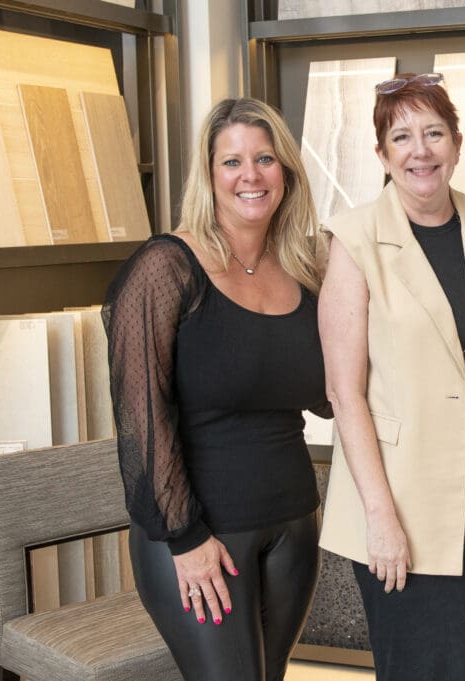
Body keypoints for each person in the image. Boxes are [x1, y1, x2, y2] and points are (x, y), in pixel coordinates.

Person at [104, 98, 328, 681]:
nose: (250, 175)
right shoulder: (166, 267)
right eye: (231, 162)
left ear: (287, 172)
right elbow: (140, 420)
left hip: (293, 522)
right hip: (202, 532)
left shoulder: (307, 265)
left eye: (264, 159)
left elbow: (330, 393)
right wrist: (185, 538)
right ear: (208, 176)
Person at [317, 72, 465, 681]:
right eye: (402, 136)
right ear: (381, 154)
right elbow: (343, 392)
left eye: (434, 133)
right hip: (405, 516)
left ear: (458, 144)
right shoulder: (354, 239)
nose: (421, 150)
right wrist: (381, 518)